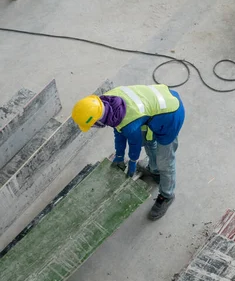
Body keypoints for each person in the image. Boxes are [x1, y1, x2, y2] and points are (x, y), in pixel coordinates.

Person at [71, 84, 185, 221]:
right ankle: (154, 170)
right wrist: (119, 155)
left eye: (93, 124)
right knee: (149, 142)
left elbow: (134, 144)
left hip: (171, 114)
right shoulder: (107, 102)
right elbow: (119, 131)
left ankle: (167, 195)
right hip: (155, 109)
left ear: (98, 119)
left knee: (165, 161)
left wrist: (132, 162)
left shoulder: (129, 122)